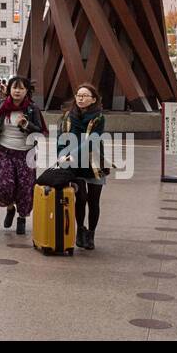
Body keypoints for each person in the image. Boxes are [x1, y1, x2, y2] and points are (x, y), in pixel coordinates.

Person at [0, 75, 47, 236]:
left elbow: (41, 131)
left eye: (21, 88)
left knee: (25, 187)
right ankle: (10, 208)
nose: (17, 91)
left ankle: (22, 218)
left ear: (27, 91)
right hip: (5, 150)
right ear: (9, 89)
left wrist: (26, 124)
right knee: (5, 183)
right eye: (14, 87)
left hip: (26, 153)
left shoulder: (32, 108)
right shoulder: (2, 106)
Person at [59, 82, 109, 251]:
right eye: (78, 95)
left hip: (94, 164)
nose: (80, 99)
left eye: (85, 96)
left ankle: (91, 234)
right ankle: (80, 229)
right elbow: (61, 138)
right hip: (74, 165)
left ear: (93, 99)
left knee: (94, 201)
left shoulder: (99, 117)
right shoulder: (67, 116)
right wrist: (61, 155)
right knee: (80, 200)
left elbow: (92, 141)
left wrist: (74, 153)